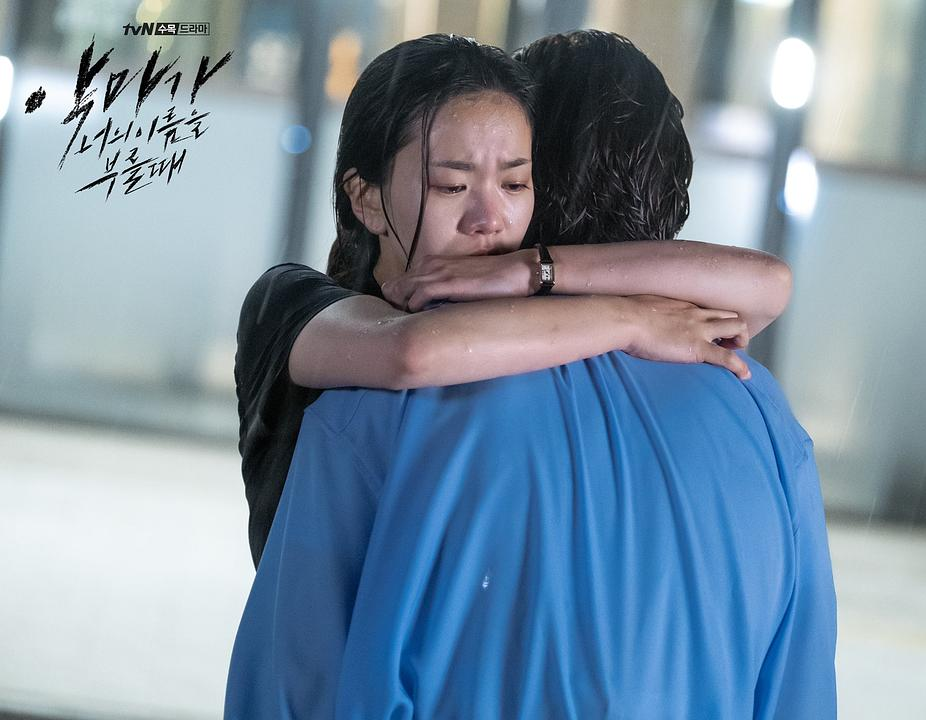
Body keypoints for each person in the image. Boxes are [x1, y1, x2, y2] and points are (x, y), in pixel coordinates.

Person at [226, 30, 836, 718]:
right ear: (365, 197)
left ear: (541, 188)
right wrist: (625, 315)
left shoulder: (379, 412)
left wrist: (543, 274)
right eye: (452, 183)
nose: (490, 217)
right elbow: (798, 687)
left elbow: (299, 680)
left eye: (514, 181)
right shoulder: (756, 406)